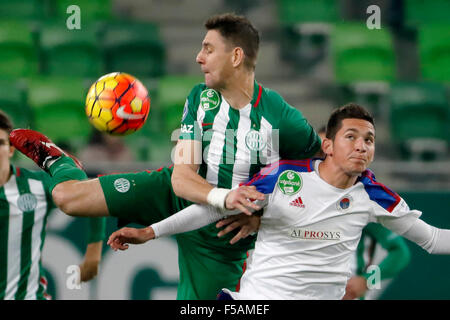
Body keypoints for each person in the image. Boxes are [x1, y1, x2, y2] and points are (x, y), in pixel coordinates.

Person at [9, 13, 321, 300]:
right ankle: (59, 159)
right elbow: (182, 178)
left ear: (236, 56)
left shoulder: (282, 119)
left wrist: (263, 215)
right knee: (67, 197)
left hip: (221, 241)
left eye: (209, 50)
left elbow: (323, 176)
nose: (199, 58)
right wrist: (227, 197)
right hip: (174, 193)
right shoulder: (202, 98)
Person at [108, 103, 450, 300]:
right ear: (327, 145)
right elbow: (215, 207)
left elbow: (433, 240)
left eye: (370, 140)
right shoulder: (285, 176)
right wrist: (150, 232)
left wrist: (368, 279)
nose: (362, 146)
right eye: (352, 137)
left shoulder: (374, 195)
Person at [0, 110, 104, 300]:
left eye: (0, 143)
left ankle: (60, 163)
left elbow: (90, 193)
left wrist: (93, 253)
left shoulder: (37, 184)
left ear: (11, 149)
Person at [315, 126, 411, 300]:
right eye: (319, 153)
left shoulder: (361, 200)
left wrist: (367, 281)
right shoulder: (296, 196)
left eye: (331, 153)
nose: (324, 159)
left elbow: (400, 252)